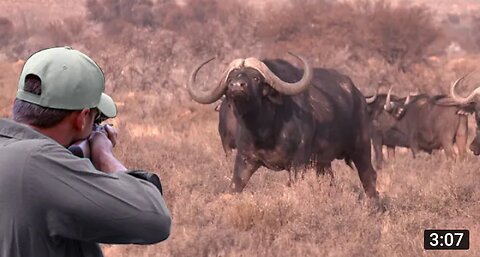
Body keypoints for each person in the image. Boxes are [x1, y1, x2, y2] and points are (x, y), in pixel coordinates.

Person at [0, 46, 171, 257]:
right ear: (81, 119)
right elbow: (154, 219)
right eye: (95, 120)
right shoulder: (37, 164)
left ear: (16, 104)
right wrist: (104, 156)